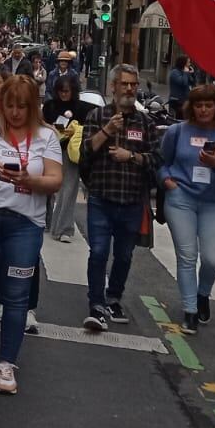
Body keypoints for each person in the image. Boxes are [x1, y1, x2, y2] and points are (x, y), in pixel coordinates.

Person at [0, 74, 62, 395]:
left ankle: (7, 361)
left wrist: (28, 179)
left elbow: (55, 180)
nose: (16, 113)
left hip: (25, 223)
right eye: (10, 105)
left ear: (34, 106)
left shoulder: (47, 136)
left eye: (23, 106)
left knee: (16, 295)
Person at [78, 64, 160, 332]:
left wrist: (132, 157)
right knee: (99, 251)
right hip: (102, 195)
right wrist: (107, 132)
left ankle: (114, 297)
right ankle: (96, 304)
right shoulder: (97, 115)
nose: (129, 89)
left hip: (132, 200)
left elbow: (157, 159)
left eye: (133, 85)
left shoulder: (145, 122)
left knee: (124, 255)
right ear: (113, 86)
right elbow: (85, 152)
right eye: (124, 84)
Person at [160, 85, 215, 333]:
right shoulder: (177, 131)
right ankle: (190, 311)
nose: (203, 110)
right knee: (187, 256)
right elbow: (162, 161)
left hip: (214, 202)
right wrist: (166, 181)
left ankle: (203, 293)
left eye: (208, 105)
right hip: (181, 198)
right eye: (198, 105)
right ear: (191, 107)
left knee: (213, 259)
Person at [42, 74, 94, 243]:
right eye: (61, 91)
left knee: (69, 189)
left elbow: (91, 122)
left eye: (67, 91)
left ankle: (63, 228)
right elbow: (40, 123)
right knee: (47, 188)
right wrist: (49, 127)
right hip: (50, 150)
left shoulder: (82, 108)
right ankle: (46, 221)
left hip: (70, 152)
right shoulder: (50, 106)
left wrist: (77, 130)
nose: (64, 94)